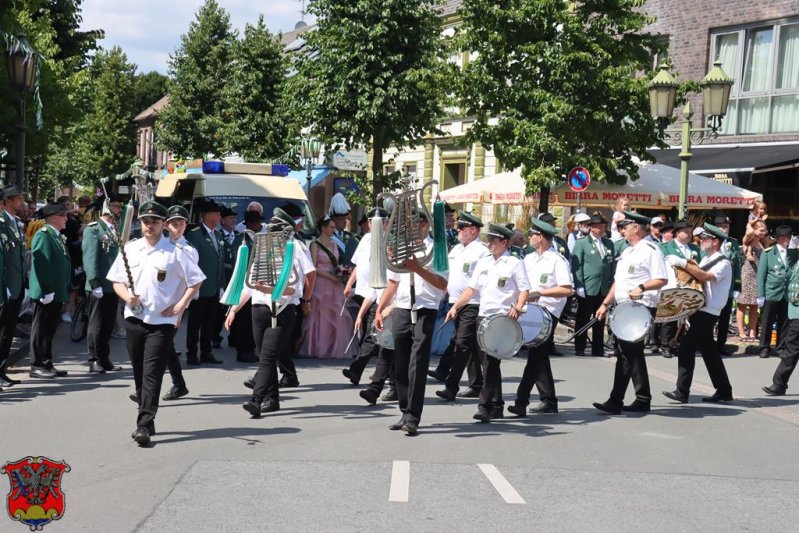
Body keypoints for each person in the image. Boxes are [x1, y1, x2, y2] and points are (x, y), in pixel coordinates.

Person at [108, 201, 205, 446]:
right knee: (140, 372)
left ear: (163, 224)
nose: (149, 225)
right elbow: (117, 281)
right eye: (145, 221)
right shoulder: (130, 249)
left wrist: (181, 305)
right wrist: (126, 296)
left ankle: (143, 424)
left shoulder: (176, 252)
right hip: (135, 317)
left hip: (162, 321)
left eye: (154, 221)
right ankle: (147, 418)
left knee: (152, 372)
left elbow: (195, 281)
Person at [232, 208, 315, 418]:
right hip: (258, 308)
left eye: (278, 226)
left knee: (267, 358)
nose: (273, 229)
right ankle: (272, 399)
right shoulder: (262, 247)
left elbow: (308, 275)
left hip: (282, 308)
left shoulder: (295, 247)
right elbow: (249, 285)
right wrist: (233, 309)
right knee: (265, 355)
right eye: (273, 225)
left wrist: (306, 299)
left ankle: (256, 400)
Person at [447, 223, 529, 423]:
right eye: (488, 240)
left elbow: (524, 289)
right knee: (488, 363)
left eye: (493, 240)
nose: (489, 244)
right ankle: (497, 404)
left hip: (502, 319)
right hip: (483, 317)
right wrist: (455, 306)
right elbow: (471, 290)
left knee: (491, 363)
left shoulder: (514, 263)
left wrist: (518, 307)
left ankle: (484, 407)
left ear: (504, 242)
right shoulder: (484, 263)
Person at [374, 212, 448, 435]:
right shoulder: (402, 247)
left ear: (426, 225)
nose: (414, 227)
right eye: (411, 224)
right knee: (401, 361)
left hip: (425, 307)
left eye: (418, 223)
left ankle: (413, 416)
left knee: (418, 361)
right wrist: (380, 309)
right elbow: (393, 282)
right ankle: (404, 411)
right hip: (403, 307)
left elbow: (442, 283)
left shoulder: (437, 249)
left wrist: (418, 269)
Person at [593, 211, 668, 414]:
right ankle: (643, 398)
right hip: (624, 307)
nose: (622, 230)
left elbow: (662, 279)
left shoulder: (651, 250)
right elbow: (619, 282)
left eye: (624, 226)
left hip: (641, 308)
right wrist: (605, 304)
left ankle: (615, 401)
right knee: (632, 353)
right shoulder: (627, 252)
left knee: (625, 354)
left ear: (636, 227)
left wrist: (642, 288)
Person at [663, 224, 734, 403]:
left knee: (686, 347)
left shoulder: (723, 262)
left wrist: (684, 263)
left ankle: (682, 391)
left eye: (705, 238)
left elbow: (705, 277)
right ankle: (724, 390)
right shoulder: (706, 259)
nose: (701, 241)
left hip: (709, 311)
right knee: (709, 352)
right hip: (699, 309)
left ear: (716, 241)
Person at [507, 217, 572, 416]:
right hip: (529, 311)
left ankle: (521, 401)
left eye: (532, 234)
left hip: (547, 312)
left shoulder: (557, 260)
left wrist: (541, 293)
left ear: (541, 237)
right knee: (540, 356)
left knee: (535, 355)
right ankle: (549, 400)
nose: (529, 237)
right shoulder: (529, 258)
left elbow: (567, 289)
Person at [434, 211, 489, 402]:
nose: (458, 230)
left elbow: (479, 282)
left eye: (462, 228)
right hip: (454, 301)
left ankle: (451, 386)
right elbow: (448, 275)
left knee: (461, 344)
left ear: (473, 230)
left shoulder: (482, 251)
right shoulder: (457, 249)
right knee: (472, 345)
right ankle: (476, 384)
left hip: (473, 303)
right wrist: (442, 295)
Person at [298, 215, 357, 359]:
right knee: (320, 315)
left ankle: (334, 346)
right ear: (323, 228)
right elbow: (313, 267)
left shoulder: (334, 244)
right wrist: (331, 277)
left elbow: (336, 263)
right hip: (321, 282)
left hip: (334, 283)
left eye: (333, 227)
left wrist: (341, 272)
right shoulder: (315, 245)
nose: (333, 229)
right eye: (330, 227)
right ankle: (317, 347)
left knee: (337, 314)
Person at [28, 203, 73, 379]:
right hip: (47, 292)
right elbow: (41, 264)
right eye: (63, 216)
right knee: (41, 329)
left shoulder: (56, 236)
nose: (66, 219)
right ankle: (37, 365)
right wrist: (46, 290)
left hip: (56, 290)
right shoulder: (44, 235)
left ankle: (46, 362)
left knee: (49, 329)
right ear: (53, 217)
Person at [82, 193, 123, 374]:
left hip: (113, 284)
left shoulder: (116, 229)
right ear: (106, 208)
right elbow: (90, 258)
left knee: (107, 324)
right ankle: (94, 359)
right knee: (96, 324)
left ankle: (105, 358)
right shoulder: (94, 229)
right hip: (99, 284)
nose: (118, 210)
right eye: (115, 206)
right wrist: (94, 281)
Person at [184, 200, 225, 365]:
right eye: (217, 213)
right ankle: (192, 354)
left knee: (209, 323)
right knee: (194, 323)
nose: (219, 216)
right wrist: (193, 286)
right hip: (199, 288)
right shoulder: (195, 234)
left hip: (214, 287)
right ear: (207, 215)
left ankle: (206, 353)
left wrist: (221, 285)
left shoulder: (218, 235)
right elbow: (190, 262)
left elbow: (220, 262)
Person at [571, 213, 614, 357]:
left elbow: (611, 264)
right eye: (598, 227)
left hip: (603, 287)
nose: (602, 229)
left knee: (600, 320)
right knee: (583, 318)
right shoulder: (582, 243)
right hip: (588, 286)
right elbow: (577, 266)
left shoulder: (609, 243)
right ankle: (580, 347)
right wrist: (579, 285)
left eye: (603, 226)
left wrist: (612, 284)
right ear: (591, 228)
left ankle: (598, 348)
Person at [226, 210, 264, 364]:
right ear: (248, 224)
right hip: (243, 285)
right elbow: (237, 264)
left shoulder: (257, 239)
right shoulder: (241, 241)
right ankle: (243, 351)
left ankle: (249, 349)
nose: (259, 225)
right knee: (243, 321)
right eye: (256, 223)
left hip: (254, 286)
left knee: (250, 321)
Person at [659, 220, 701, 358]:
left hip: (690, 285)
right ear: (677, 233)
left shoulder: (694, 249)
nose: (689, 235)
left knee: (687, 316)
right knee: (669, 317)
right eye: (686, 232)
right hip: (672, 286)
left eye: (690, 232)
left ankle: (680, 343)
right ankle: (665, 345)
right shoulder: (665, 247)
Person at [0, 185, 27, 387]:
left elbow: (18, 255)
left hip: (17, 285)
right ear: (7, 201)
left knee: (8, 331)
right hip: (5, 286)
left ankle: (2, 369)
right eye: (18, 198)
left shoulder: (17, 223)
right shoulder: (1, 223)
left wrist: (22, 282)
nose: (21, 202)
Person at [756, 225, 793, 359]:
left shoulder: (793, 252)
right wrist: (760, 294)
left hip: (786, 293)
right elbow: (761, 275)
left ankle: (780, 347)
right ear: (777, 238)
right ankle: (764, 347)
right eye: (782, 237)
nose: (785, 240)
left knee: (784, 322)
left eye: (787, 237)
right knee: (767, 322)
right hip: (771, 292)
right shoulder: (768, 253)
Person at [712, 215, 742, 357]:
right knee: (710, 317)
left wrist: (736, 287)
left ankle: (720, 345)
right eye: (722, 226)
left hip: (728, 287)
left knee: (725, 318)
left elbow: (737, 266)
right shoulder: (710, 241)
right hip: (712, 286)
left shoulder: (733, 242)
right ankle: (707, 344)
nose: (725, 229)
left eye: (726, 226)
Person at [737, 220, 768, 342]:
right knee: (743, 304)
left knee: (755, 305)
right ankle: (741, 332)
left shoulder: (762, 243)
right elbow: (748, 232)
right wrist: (754, 220)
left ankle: (752, 332)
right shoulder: (748, 241)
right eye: (761, 230)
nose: (763, 232)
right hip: (748, 274)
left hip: (758, 275)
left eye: (764, 230)